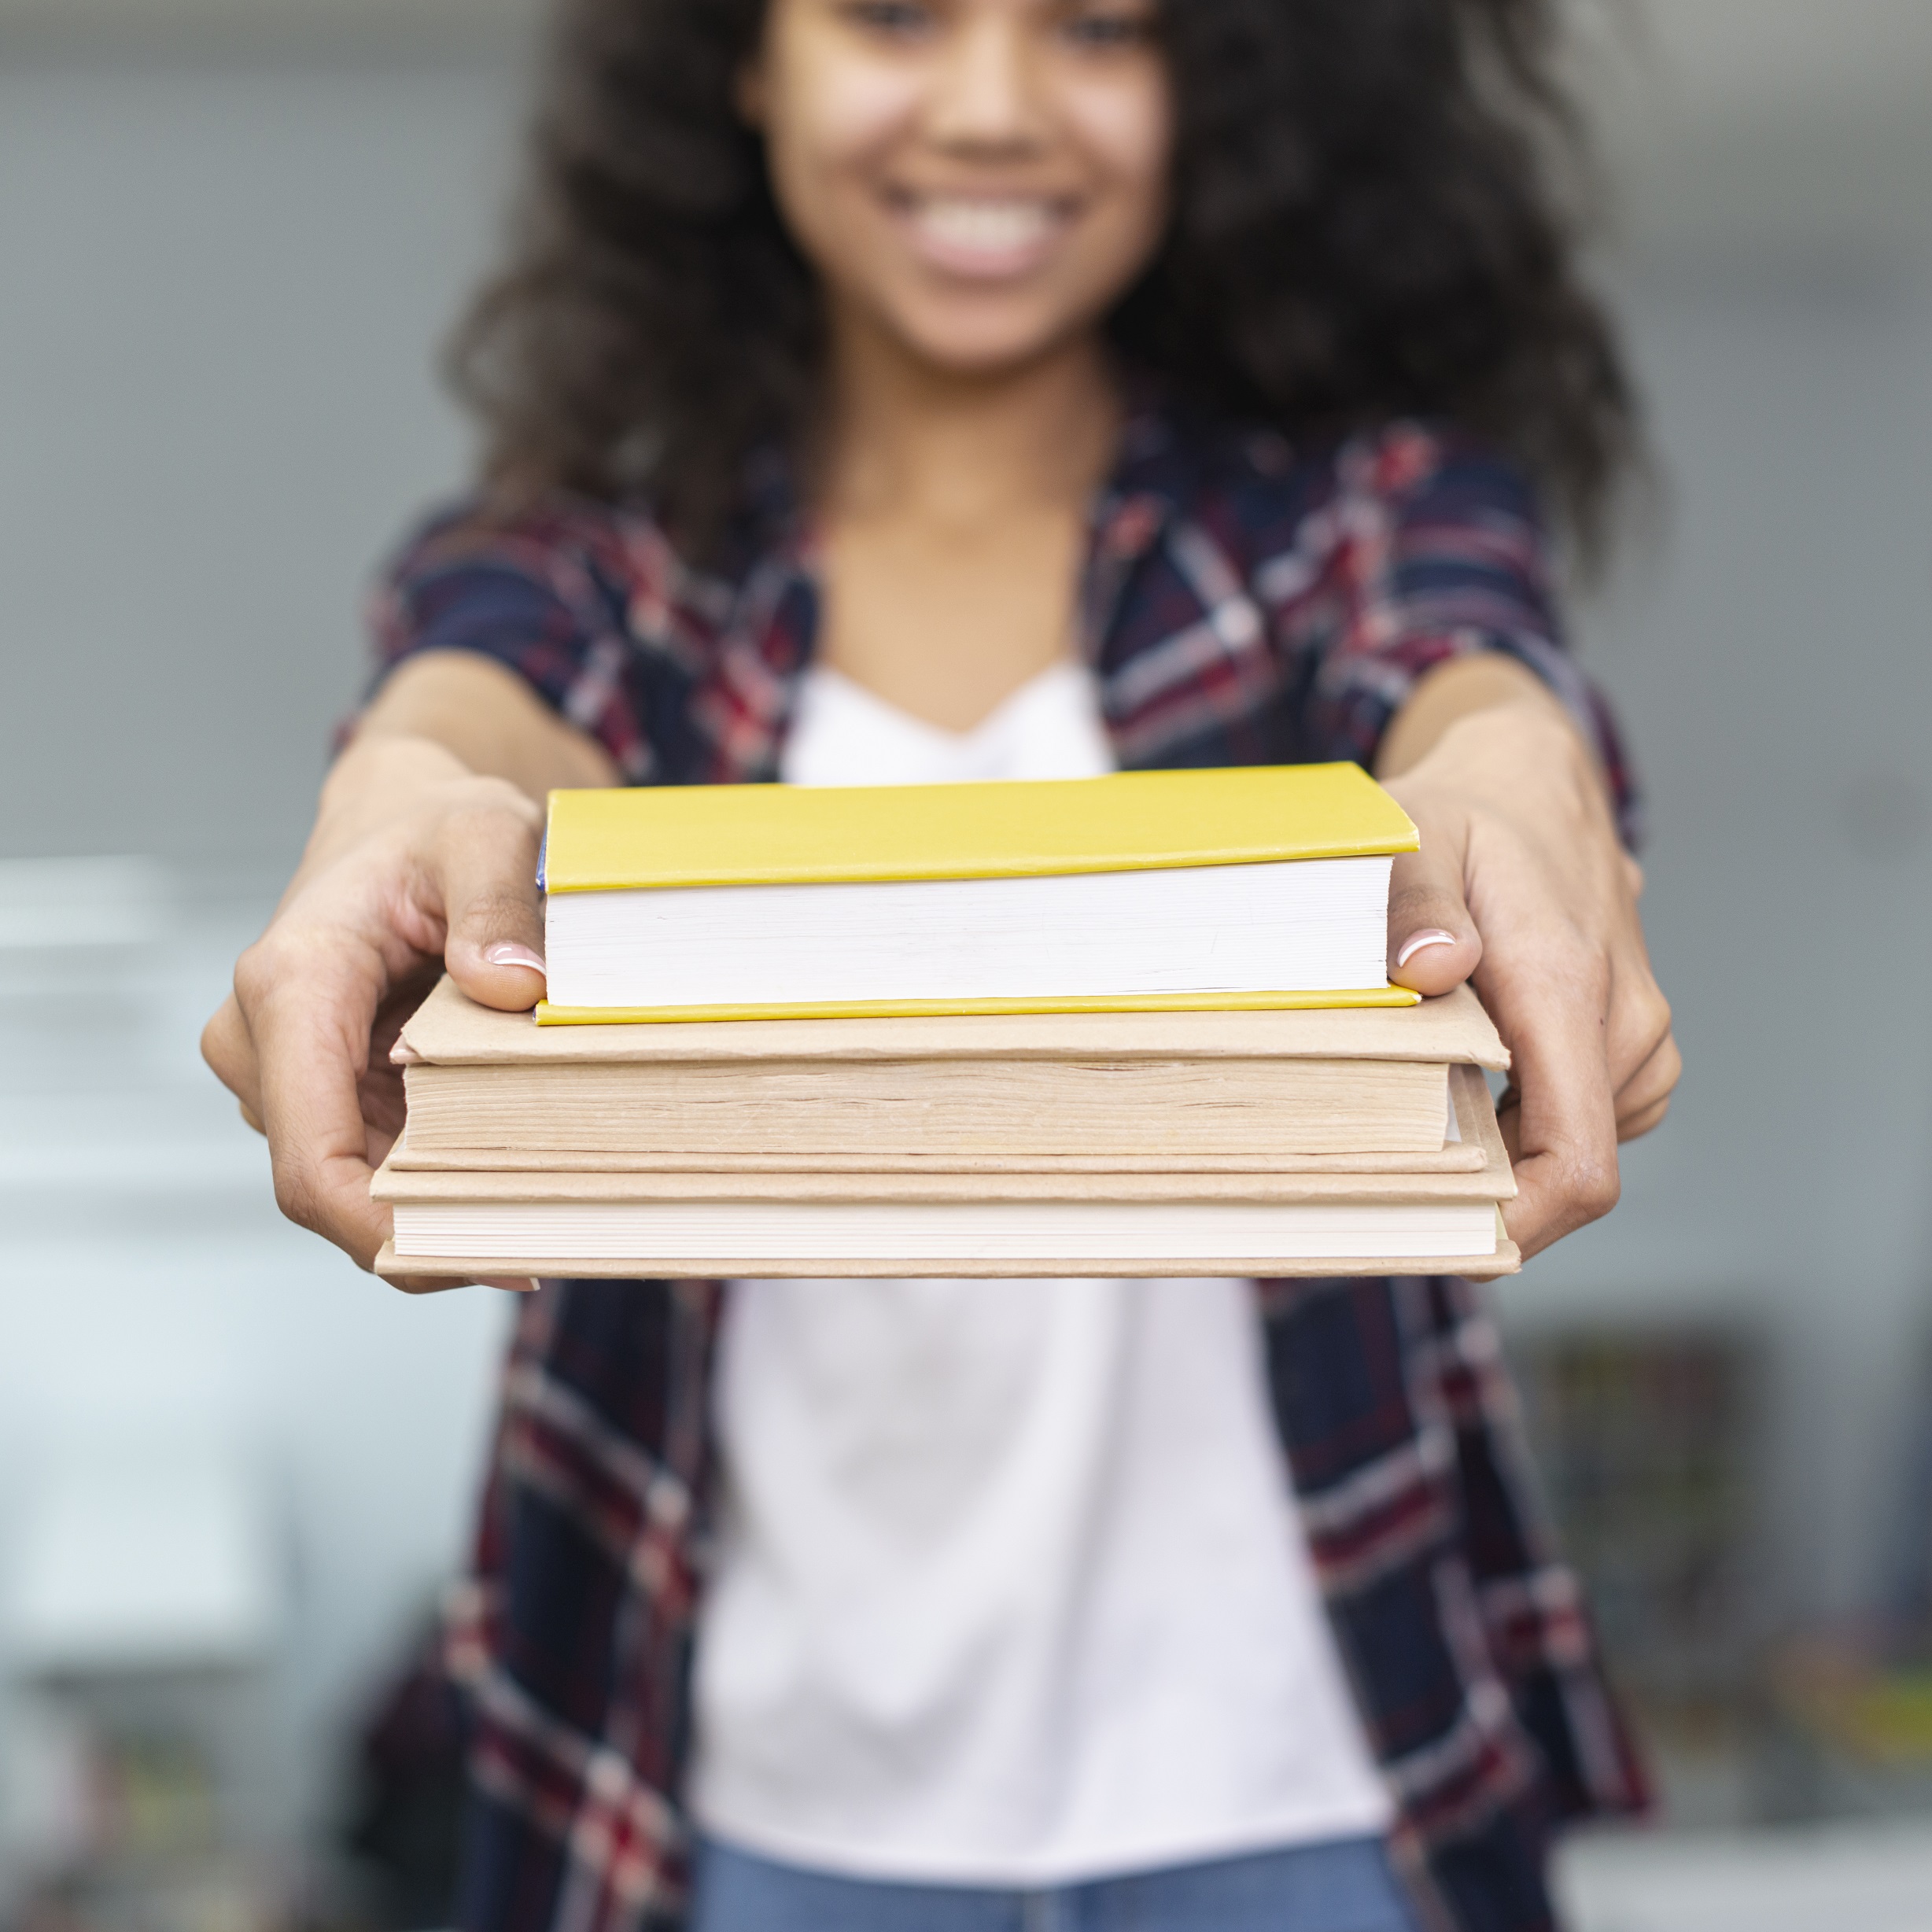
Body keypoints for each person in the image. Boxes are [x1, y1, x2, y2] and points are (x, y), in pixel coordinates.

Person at [203, 2, 1681, 1927]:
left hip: (1310, 1778)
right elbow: (484, 683)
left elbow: (1462, 653)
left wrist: (1511, 764)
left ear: (1216, 89)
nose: (991, 112)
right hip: (733, 1801)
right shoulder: (607, 568)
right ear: (745, 59)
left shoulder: (1346, 522)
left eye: (1096, 28)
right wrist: (408, 779)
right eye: (896, 13)